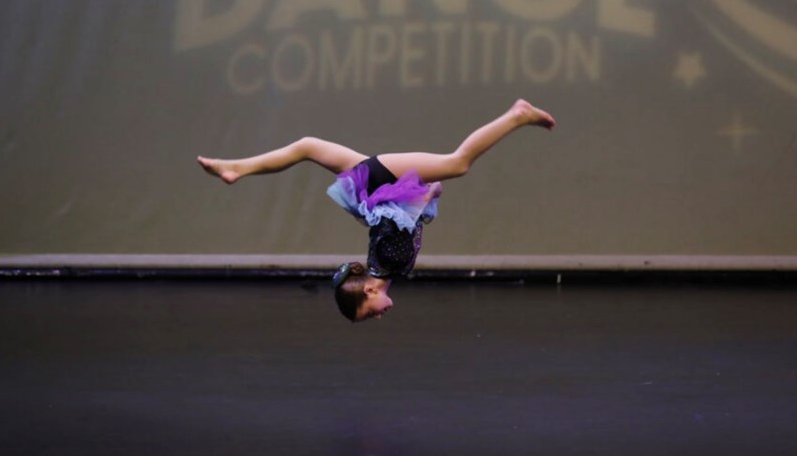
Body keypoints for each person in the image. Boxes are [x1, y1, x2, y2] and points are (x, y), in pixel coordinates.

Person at [198, 99, 556, 323]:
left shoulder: (391, 261)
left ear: (369, 291)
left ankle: (516, 115)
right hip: (374, 186)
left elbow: (393, 213)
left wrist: (427, 190)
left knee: (458, 163)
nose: (380, 314)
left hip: (380, 185)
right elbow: (397, 220)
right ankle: (235, 168)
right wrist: (424, 197)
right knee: (307, 146)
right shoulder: (385, 265)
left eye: (370, 313)